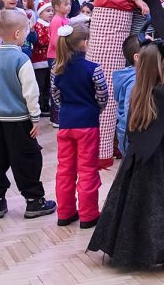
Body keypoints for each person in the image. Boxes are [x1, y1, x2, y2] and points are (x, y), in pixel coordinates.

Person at [88, 40, 164, 268]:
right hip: (159, 158)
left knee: (137, 203)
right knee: (159, 202)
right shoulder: (162, 94)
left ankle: (134, 246)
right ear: (163, 68)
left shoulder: (137, 88)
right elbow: (163, 128)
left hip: (138, 157)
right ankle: (160, 249)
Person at [87, 0, 164, 166]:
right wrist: (134, 0)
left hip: (157, 38)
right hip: (129, 45)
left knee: (155, 89)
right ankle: (120, 145)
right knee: (124, 95)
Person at [0, 10, 55, 220]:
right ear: (16, 34)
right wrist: (35, 117)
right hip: (20, 121)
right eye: (25, 31)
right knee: (27, 160)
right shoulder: (21, 59)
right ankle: (34, 201)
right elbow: (30, 91)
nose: (26, 35)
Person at [51, 23, 107, 228]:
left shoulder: (56, 68)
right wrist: (94, 109)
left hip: (65, 123)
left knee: (64, 169)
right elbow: (102, 96)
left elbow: (55, 97)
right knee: (87, 170)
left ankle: (64, 213)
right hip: (88, 124)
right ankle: (88, 214)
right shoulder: (94, 68)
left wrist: (67, 109)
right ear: (84, 43)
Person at [113, 34, 142, 153]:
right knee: (131, 166)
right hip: (130, 133)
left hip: (126, 130)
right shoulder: (134, 80)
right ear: (137, 57)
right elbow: (129, 109)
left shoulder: (129, 75)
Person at [31, 2, 55, 117]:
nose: (51, 13)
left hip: (48, 59)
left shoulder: (50, 24)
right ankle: (39, 105)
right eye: (48, 11)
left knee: (47, 85)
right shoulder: (38, 25)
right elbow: (41, 41)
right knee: (39, 84)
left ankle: (46, 105)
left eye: (52, 11)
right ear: (40, 13)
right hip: (40, 60)